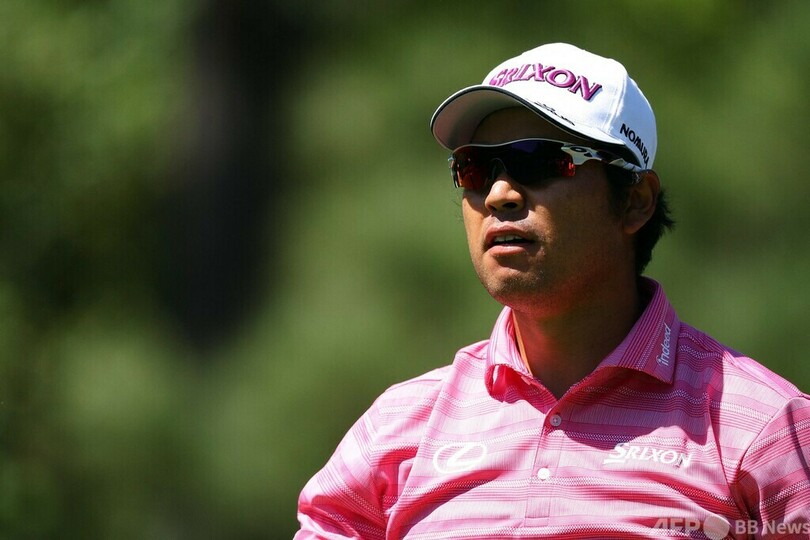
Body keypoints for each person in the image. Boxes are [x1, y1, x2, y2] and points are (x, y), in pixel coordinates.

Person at [295, 43, 810, 539]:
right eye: (475, 168)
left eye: (539, 161)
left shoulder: (765, 428)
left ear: (635, 200)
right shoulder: (394, 432)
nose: (499, 194)